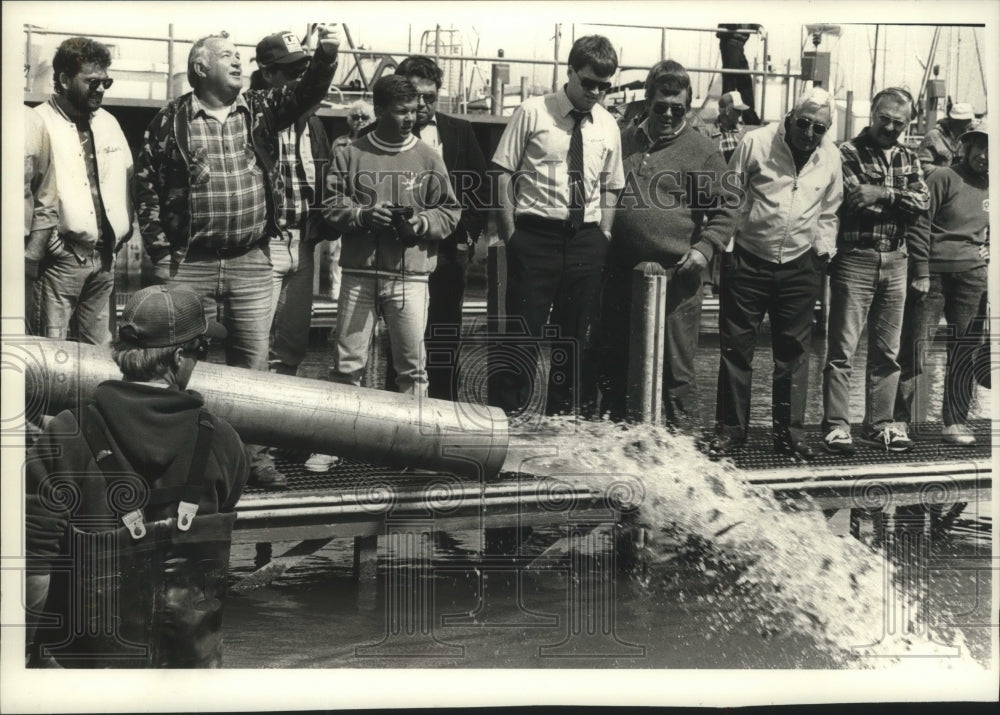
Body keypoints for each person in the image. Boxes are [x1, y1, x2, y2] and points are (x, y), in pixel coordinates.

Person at [135, 26, 340, 489]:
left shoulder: (263, 109)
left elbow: (306, 91)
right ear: (200, 67)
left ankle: (255, 460)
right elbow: (145, 186)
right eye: (226, 56)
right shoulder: (169, 121)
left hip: (251, 259)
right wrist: (162, 253)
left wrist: (326, 59)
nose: (237, 62)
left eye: (237, 56)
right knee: (184, 363)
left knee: (254, 365)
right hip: (191, 263)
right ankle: (189, 461)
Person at [25, 285, 249, 668]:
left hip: (87, 670)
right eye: (200, 351)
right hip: (188, 670)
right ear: (179, 358)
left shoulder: (65, 434)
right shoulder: (224, 441)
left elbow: (34, 567)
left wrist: (27, 652)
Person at [598, 60, 738, 430]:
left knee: (676, 370)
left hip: (678, 277)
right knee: (614, 362)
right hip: (622, 273)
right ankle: (618, 444)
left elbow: (731, 204)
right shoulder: (623, 138)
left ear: (688, 107)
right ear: (648, 101)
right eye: (661, 106)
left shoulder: (702, 150)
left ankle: (682, 450)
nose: (669, 115)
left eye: (678, 108)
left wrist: (705, 247)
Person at [492, 35, 625, 419]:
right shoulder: (533, 112)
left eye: (605, 86)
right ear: (569, 72)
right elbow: (502, 172)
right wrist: (510, 234)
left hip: (586, 240)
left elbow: (612, 184)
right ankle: (504, 423)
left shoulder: (608, 125)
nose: (596, 93)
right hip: (535, 237)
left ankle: (565, 424)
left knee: (578, 340)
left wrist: (605, 233)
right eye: (589, 83)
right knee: (522, 336)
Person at [710, 87, 843, 461]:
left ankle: (790, 437)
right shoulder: (756, 142)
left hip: (801, 264)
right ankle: (731, 433)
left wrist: (822, 252)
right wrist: (730, 247)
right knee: (737, 351)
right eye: (803, 123)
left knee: (794, 355)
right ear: (789, 116)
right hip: (749, 258)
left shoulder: (831, 156)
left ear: (827, 129)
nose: (809, 132)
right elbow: (731, 194)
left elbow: (830, 211)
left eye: (819, 127)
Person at [322, 75, 461, 397]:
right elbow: (331, 205)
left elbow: (450, 210)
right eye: (401, 111)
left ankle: (412, 444)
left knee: (413, 371)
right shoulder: (350, 154)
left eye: (413, 110)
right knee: (346, 367)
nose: (410, 118)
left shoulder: (429, 157)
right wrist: (362, 215)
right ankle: (344, 446)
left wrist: (420, 223)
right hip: (358, 275)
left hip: (409, 277)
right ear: (379, 109)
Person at [821, 87, 929, 454]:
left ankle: (880, 424)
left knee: (888, 351)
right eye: (884, 118)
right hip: (856, 258)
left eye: (898, 122)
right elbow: (853, 200)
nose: (890, 126)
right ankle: (837, 425)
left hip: (897, 259)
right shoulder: (845, 152)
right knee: (843, 348)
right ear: (873, 112)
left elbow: (921, 203)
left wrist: (882, 194)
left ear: (907, 123)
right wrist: (899, 202)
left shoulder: (909, 156)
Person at [384, 55, 489, 401]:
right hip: (400, 253)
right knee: (401, 340)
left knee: (445, 336)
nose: (424, 105)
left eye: (431, 96)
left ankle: (442, 415)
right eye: (416, 96)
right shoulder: (386, 135)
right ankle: (392, 421)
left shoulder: (460, 131)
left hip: (447, 252)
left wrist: (468, 237)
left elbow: (479, 188)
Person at [31, 36, 133, 346]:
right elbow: (23, 193)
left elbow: (127, 177)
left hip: (104, 259)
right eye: (92, 82)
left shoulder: (109, 122)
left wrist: (122, 235)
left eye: (106, 81)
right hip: (60, 261)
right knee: (51, 355)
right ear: (63, 79)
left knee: (101, 355)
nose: (101, 89)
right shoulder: (37, 121)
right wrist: (51, 247)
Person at [895, 123, 990, 445]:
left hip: (974, 275)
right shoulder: (943, 177)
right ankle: (897, 421)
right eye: (982, 147)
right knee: (915, 348)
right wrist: (920, 269)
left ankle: (955, 422)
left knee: (966, 349)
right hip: (932, 274)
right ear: (970, 145)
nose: (986, 157)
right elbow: (919, 223)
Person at [253, 31, 335, 377]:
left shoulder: (313, 123)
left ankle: (277, 424)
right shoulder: (252, 115)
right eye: (292, 71)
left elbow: (326, 174)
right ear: (268, 73)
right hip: (263, 243)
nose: (301, 77)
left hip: (303, 242)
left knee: (293, 342)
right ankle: (247, 422)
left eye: (305, 68)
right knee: (253, 341)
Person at [24, 106, 58, 329]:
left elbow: (46, 195)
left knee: (11, 344)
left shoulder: (31, 122)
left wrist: (31, 256)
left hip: (16, 254)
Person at [917, 102, 974, 171]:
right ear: (954, 121)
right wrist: (947, 173)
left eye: (969, 121)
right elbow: (922, 166)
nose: (970, 124)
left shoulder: (966, 137)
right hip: (938, 180)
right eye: (966, 121)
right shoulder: (933, 136)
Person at [709, 90, 749, 163]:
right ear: (728, 110)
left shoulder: (742, 131)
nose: (741, 114)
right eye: (739, 111)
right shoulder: (709, 132)